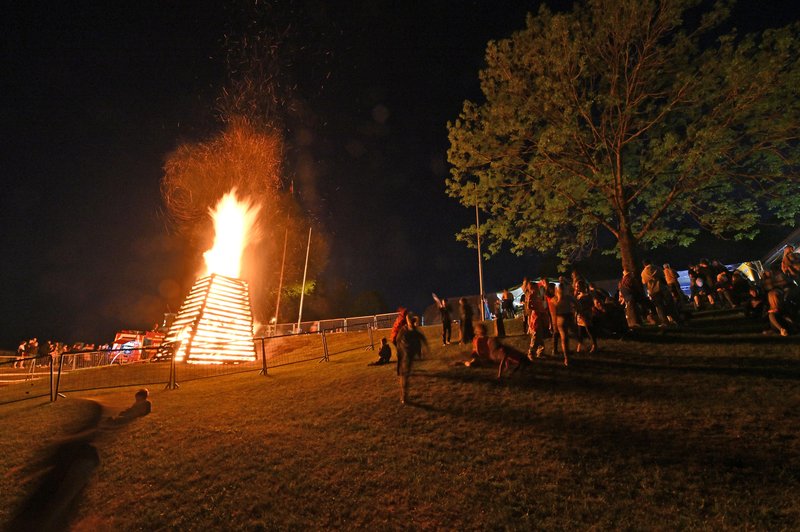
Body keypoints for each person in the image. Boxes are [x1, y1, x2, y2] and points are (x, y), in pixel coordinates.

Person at [396, 314, 428, 404]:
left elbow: (422, 339)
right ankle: (404, 397)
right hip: (405, 355)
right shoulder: (404, 330)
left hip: (409, 356)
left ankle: (404, 396)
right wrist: (401, 350)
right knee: (404, 375)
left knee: (405, 375)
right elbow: (398, 340)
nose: (409, 322)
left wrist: (423, 350)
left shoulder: (414, 330)